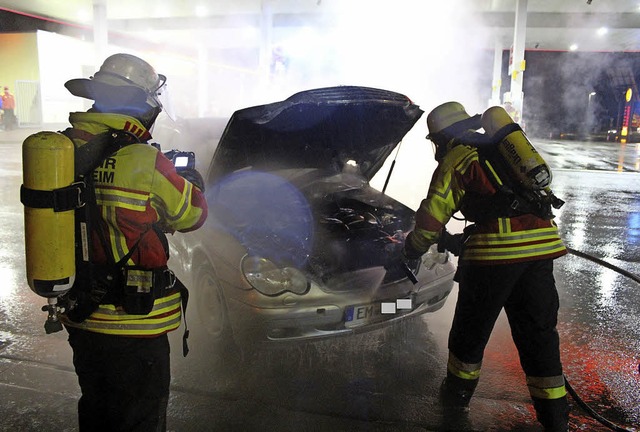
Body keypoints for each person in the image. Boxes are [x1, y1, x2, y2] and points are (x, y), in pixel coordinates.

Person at [58, 53, 208, 431]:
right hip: (136, 325)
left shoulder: (59, 150)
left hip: (80, 316)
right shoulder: (144, 160)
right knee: (140, 420)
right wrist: (190, 183)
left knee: (97, 409)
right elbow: (192, 216)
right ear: (141, 105)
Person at [402, 101, 569, 431]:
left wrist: (411, 248)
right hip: (540, 254)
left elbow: (432, 218)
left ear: (442, 137)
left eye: (436, 141)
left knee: (469, 337)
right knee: (540, 340)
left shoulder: (457, 158)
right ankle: (556, 421)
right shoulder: (508, 153)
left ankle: (454, 407)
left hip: (493, 259)